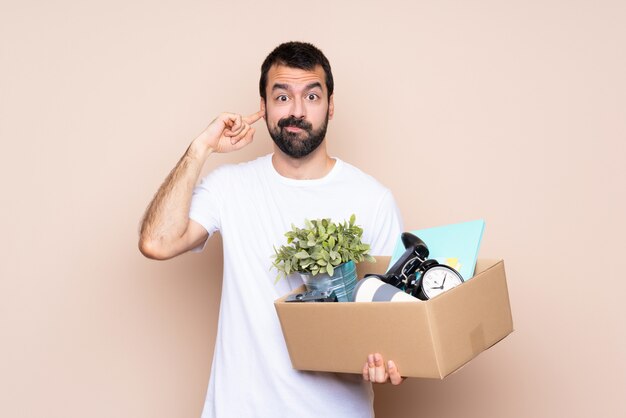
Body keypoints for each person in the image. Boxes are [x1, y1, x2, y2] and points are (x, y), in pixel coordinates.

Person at [139, 41, 405, 418]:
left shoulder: (372, 199)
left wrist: (393, 363)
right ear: (263, 108)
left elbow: (395, 325)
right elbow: (157, 242)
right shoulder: (229, 186)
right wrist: (200, 148)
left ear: (330, 106)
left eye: (312, 96)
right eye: (282, 96)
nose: (296, 111)